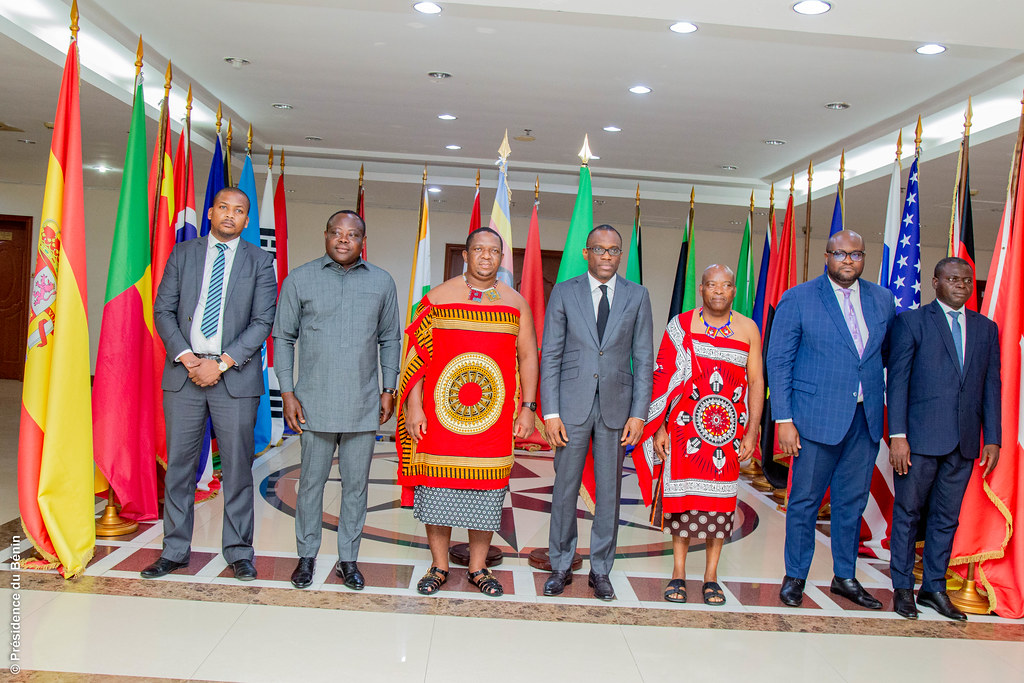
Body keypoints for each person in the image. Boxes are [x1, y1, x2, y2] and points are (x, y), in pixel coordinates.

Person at [397, 227, 538, 597]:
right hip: (439, 418)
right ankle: (439, 565)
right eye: (479, 249)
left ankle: (478, 567)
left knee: (487, 491)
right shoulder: (438, 298)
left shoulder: (516, 303)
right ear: (465, 254)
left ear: (502, 257)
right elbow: (416, 357)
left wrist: (528, 408)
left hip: (494, 420)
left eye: (494, 251)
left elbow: (528, 356)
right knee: (437, 490)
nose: (486, 256)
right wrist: (414, 406)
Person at [145, 187, 277, 580]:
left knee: (237, 469)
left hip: (233, 377)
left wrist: (219, 364)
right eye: (223, 207)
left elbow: (263, 321)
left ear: (246, 220)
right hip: (184, 374)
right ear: (210, 212)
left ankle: (239, 552)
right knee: (179, 469)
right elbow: (163, 310)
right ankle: (174, 550)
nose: (230, 215)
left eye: (239, 210)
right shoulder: (183, 254)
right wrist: (188, 358)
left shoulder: (260, 261)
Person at [766, 229, 895, 608]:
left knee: (851, 503)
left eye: (856, 254)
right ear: (827, 257)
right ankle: (795, 577)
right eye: (840, 254)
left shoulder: (882, 299)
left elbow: (884, 354)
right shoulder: (799, 298)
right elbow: (779, 361)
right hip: (814, 420)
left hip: (865, 419)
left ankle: (845, 577)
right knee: (804, 501)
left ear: (864, 257)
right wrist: (783, 419)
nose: (848, 260)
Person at [273, 210, 401, 590]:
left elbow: (390, 338)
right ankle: (306, 557)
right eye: (337, 232)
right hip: (314, 403)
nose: (344, 240)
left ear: (363, 241)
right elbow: (283, 337)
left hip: (363, 403)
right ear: (325, 235)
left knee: (356, 487)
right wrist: (287, 391)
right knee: (310, 484)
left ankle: (349, 560)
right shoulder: (300, 279)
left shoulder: (381, 282)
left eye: (353, 234)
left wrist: (389, 388)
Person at [635, 265, 763, 605]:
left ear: (734, 290)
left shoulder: (748, 329)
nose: (718, 291)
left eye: (726, 285)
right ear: (701, 289)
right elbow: (661, 379)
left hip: (726, 435)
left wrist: (752, 432)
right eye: (711, 285)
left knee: (720, 505)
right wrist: (660, 427)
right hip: (683, 433)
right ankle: (678, 572)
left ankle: (711, 577)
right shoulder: (680, 326)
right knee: (683, 503)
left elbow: (756, 382)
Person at [541, 225, 654, 601]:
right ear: (586, 253)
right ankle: (560, 565)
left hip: (617, 409)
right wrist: (550, 412)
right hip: (570, 407)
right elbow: (551, 354)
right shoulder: (564, 291)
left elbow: (643, 358)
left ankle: (601, 570)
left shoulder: (637, 295)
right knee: (564, 489)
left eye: (614, 250)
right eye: (600, 249)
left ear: (621, 254)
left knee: (609, 494)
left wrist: (639, 414)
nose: (607, 255)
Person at [886, 257, 1000, 621]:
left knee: (946, 518)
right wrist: (898, 436)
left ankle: (933, 588)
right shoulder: (912, 322)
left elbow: (991, 385)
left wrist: (993, 437)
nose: (961, 285)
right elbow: (898, 381)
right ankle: (903, 588)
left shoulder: (986, 328)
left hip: (964, 442)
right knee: (908, 514)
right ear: (935, 283)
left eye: (966, 280)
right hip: (917, 441)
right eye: (952, 279)